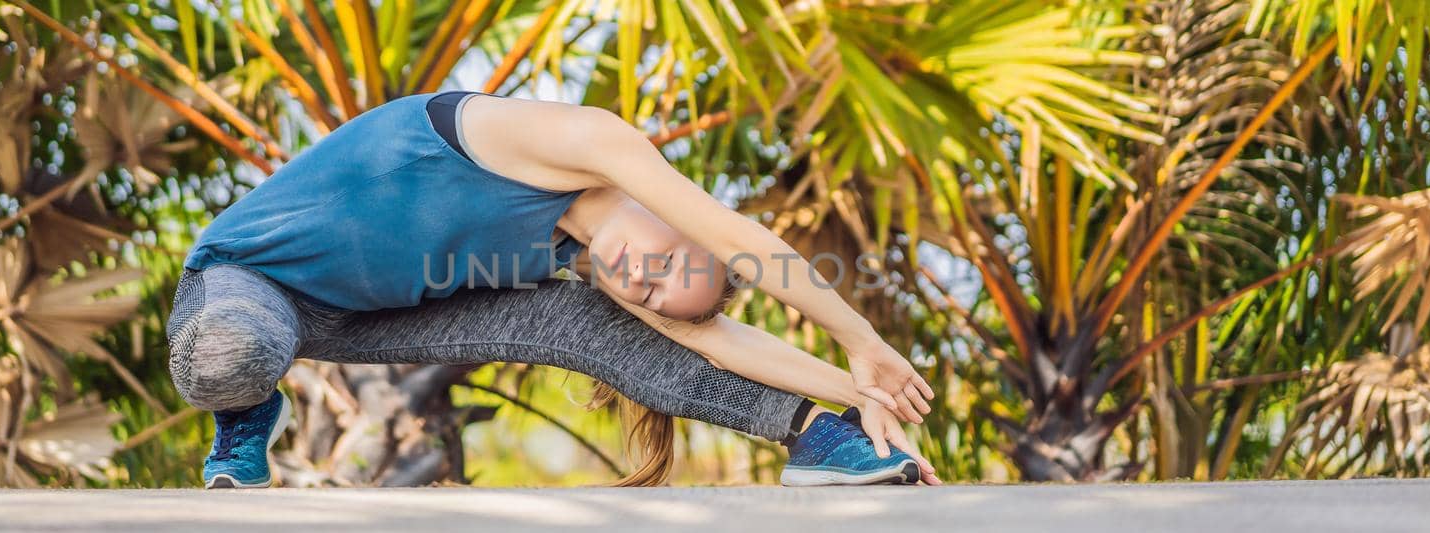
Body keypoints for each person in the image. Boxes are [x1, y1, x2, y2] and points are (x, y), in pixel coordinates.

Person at [167, 90, 943, 488]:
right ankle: (246, 411)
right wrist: (862, 340)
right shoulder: (583, 141)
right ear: (678, 217)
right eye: (669, 262)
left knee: (591, 326)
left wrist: (856, 393)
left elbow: (713, 336)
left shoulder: (573, 254)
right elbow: (741, 237)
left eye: (653, 293)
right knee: (231, 349)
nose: (641, 279)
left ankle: (813, 433)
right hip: (249, 277)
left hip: (364, 316)